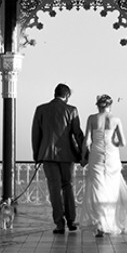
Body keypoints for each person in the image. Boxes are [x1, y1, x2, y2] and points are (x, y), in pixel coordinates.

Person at [80, 94, 127, 237]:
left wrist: (83, 156)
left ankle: (101, 224)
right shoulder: (116, 119)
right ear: (110, 105)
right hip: (112, 155)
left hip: (96, 155)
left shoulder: (92, 118)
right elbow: (123, 143)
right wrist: (113, 142)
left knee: (98, 187)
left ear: (98, 105)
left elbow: (87, 140)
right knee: (112, 189)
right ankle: (110, 222)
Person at [31, 83, 85, 234]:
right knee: (68, 186)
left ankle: (59, 224)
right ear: (67, 96)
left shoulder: (41, 109)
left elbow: (36, 134)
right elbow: (77, 134)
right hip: (67, 155)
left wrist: (37, 155)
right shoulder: (71, 110)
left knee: (54, 188)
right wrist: (83, 154)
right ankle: (71, 221)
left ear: (55, 93)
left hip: (47, 155)